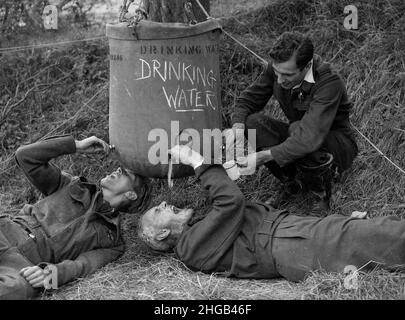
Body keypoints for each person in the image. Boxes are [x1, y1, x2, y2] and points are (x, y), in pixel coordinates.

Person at [138, 145, 405, 282]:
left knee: (379, 232)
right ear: (162, 233)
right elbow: (230, 202)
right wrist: (194, 159)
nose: (163, 204)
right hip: (290, 243)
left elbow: (231, 206)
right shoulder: (188, 248)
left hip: (293, 236)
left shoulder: (197, 232)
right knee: (386, 235)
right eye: (157, 211)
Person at [0, 135, 150, 300]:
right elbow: (25, 156)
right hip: (7, 231)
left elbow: (82, 266)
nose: (118, 170)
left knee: (20, 290)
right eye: (122, 168)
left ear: (131, 194)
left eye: (127, 175)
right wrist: (75, 146)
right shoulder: (72, 185)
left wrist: (49, 274)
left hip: (21, 265)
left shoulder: (113, 243)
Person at [226, 31, 358, 209]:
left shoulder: (329, 82)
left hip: (335, 145)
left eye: (288, 75)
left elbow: (308, 137)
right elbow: (247, 101)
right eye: (276, 72)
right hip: (298, 135)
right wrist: (237, 127)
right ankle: (292, 184)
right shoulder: (278, 68)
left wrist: (263, 156)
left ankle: (320, 192)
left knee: (296, 129)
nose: (280, 80)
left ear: (307, 66)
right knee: (253, 123)